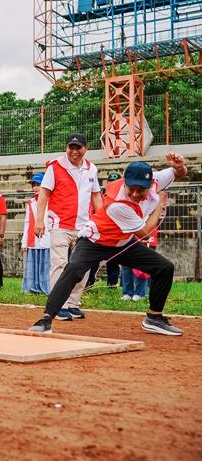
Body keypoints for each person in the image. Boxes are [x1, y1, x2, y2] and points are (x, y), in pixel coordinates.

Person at [30, 153, 188, 336]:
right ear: (125, 182)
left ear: (151, 183)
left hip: (122, 242)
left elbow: (179, 174)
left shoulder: (156, 179)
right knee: (73, 270)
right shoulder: (117, 202)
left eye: (141, 190)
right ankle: (46, 319)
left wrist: (179, 166)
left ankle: (154, 317)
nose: (135, 194)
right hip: (95, 240)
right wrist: (160, 203)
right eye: (132, 189)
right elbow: (143, 233)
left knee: (164, 267)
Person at [35, 133, 103, 321]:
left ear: (85, 148)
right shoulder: (55, 167)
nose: (73, 151)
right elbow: (43, 194)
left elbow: (96, 196)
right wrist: (39, 221)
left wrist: (101, 220)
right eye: (70, 147)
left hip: (84, 225)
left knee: (83, 266)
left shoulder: (92, 169)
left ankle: (73, 302)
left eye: (77, 147)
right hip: (60, 223)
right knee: (59, 264)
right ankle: (60, 304)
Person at [21, 173, 51, 294]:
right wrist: (24, 242)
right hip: (34, 237)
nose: (35, 188)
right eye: (34, 185)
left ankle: (48, 288)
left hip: (48, 236)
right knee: (33, 264)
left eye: (38, 185)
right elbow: (27, 222)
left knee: (46, 265)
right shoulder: (31, 202)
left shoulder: (51, 200)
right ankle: (32, 287)